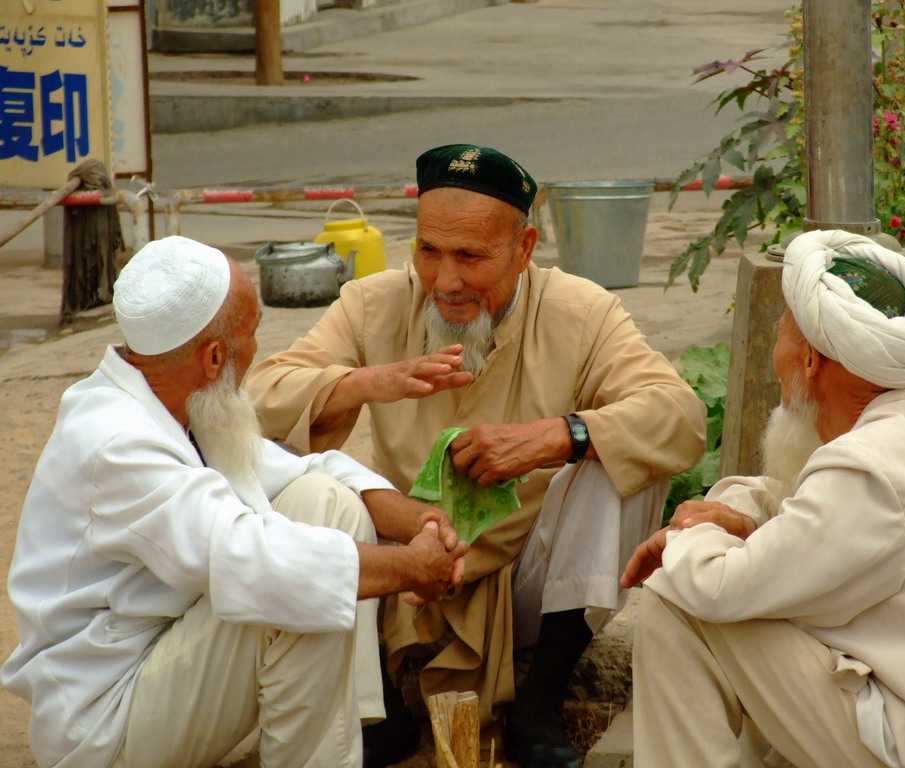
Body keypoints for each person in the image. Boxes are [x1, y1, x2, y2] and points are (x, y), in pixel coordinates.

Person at [245, 144, 707, 767]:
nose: (446, 281)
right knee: (311, 491)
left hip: (528, 585)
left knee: (622, 462)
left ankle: (538, 704)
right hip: (404, 574)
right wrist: (362, 383)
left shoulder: (582, 310)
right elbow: (255, 401)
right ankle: (378, 706)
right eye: (429, 251)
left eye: (470, 256)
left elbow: (680, 416)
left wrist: (558, 436)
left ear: (524, 249)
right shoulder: (373, 302)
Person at [2, 235, 468, 768]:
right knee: (290, 588)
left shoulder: (176, 397)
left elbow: (301, 468)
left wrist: (417, 519)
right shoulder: (115, 440)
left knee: (327, 502)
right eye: (252, 336)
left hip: (172, 668)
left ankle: (342, 734)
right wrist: (411, 570)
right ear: (215, 355)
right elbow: (254, 559)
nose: (256, 353)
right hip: (105, 720)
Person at [622, 229, 905, 768]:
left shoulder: (867, 470)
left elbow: (716, 589)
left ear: (810, 360)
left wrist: (686, 536)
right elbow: (796, 511)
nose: (775, 353)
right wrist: (733, 516)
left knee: (678, 598)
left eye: (780, 333)